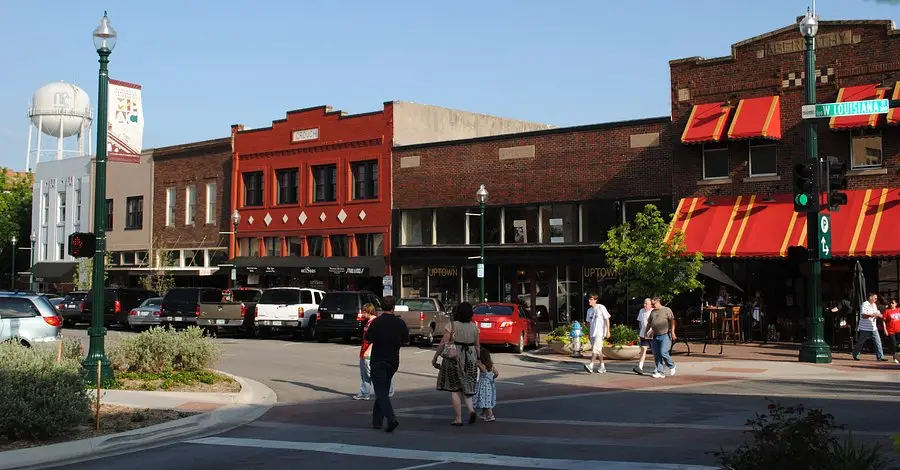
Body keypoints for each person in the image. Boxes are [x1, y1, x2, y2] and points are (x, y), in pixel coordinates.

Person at [433, 301, 481, 426]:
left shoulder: (452, 325)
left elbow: (443, 343)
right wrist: (478, 359)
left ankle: (458, 419)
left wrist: (436, 356)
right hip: (470, 357)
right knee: (467, 388)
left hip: (454, 358)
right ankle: (471, 410)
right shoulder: (474, 327)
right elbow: (477, 345)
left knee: (455, 389)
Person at [364, 295, 408, 432]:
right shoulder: (400, 323)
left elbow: (368, 338)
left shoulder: (376, 323)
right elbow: (406, 340)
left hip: (378, 360)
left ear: (381, 307)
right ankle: (377, 421)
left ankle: (391, 418)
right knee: (382, 389)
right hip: (393, 360)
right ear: (393, 307)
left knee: (381, 392)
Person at [354, 303, 395, 401]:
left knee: (372, 374)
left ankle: (387, 390)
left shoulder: (375, 322)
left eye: (364, 312)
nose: (362, 314)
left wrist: (368, 351)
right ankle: (365, 393)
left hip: (370, 352)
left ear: (369, 311)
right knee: (364, 374)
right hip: (364, 351)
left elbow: (375, 339)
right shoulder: (368, 322)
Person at [644, 297, 676, 379]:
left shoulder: (666, 310)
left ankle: (671, 366)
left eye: (653, 304)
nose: (652, 306)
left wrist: (672, 332)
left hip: (665, 335)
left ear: (658, 302)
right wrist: (646, 332)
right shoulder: (653, 312)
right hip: (655, 336)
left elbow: (672, 321)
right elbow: (649, 323)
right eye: (651, 304)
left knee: (663, 352)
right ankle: (660, 372)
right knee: (657, 354)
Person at [852, 293, 886, 362]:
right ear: (870, 297)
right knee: (861, 342)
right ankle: (855, 354)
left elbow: (877, 313)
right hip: (865, 327)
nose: (876, 300)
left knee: (878, 341)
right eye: (875, 298)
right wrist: (872, 315)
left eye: (876, 298)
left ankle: (880, 357)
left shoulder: (874, 305)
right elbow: (863, 315)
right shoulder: (865, 304)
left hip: (873, 327)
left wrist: (879, 315)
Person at [583, 293, 611, 374]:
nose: (589, 300)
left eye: (591, 299)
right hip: (592, 333)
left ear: (595, 300)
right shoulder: (589, 310)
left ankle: (591, 365)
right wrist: (588, 333)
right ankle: (602, 366)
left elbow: (607, 319)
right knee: (598, 350)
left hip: (600, 332)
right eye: (589, 299)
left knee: (595, 348)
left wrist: (608, 331)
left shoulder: (601, 307)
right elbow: (589, 323)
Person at [473, 347, 498, 422]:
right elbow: (496, 373)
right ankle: (483, 414)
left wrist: (478, 364)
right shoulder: (491, 364)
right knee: (487, 399)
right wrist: (492, 378)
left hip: (483, 385)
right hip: (490, 384)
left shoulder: (481, 365)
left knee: (486, 400)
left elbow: (484, 371)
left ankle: (490, 415)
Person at [633, 298, 653, 375]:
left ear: (650, 304)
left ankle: (657, 367)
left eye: (646, 304)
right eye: (644, 303)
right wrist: (640, 332)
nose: (645, 305)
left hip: (651, 333)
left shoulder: (653, 311)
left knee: (654, 351)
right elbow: (640, 323)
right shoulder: (641, 311)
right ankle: (640, 367)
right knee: (643, 350)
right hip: (643, 334)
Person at [881, 298, 900, 364]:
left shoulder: (898, 310)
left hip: (899, 330)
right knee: (894, 344)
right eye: (890, 303)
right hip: (891, 330)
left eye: (893, 303)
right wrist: (885, 330)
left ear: (896, 304)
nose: (891, 304)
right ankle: (895, 358)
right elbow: (883, 321)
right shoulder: (887, 311)